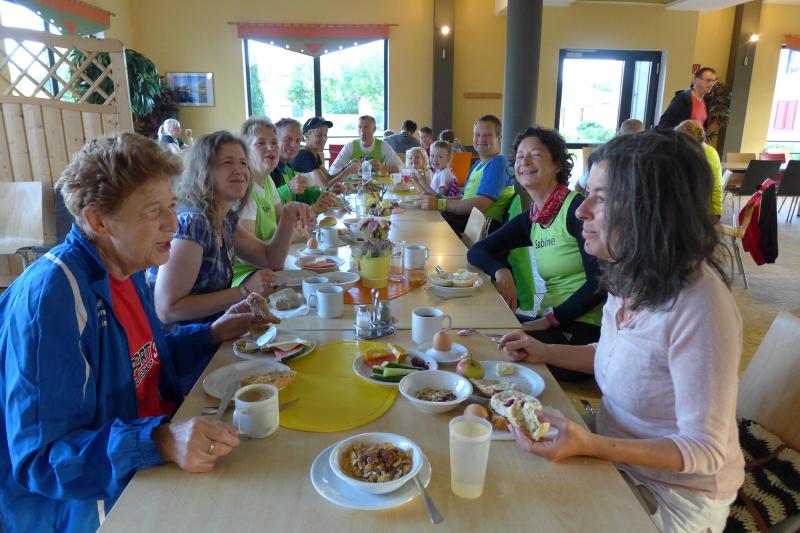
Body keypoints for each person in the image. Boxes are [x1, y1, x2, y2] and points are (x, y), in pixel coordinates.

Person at [0, 133, 262, 532]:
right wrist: (159, 441)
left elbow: (143, 359)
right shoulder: (54, 296)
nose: (172, 223)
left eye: (172, 205)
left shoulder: (128, 267)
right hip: (89, 501)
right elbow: (43, 459)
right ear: (98, 221)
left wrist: (210, 333)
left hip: (153, 450)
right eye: (153, 211)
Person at [499, 130, 744, 532]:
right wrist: (543, 350)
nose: (582, 211)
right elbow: (617, 354)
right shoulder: (629, 272)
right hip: (612, 457)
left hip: (672, 495)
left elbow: (705, 449)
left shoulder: (699, 305)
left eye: (602, 198)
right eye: (587, 193)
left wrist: (592, 445)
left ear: (652, 212)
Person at [468, 127, 604, 381]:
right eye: (520, 156)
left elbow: (600, 283)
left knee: (488, 349)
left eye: (536, 155)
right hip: (550, 322)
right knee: (477, 327)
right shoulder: (534, 217)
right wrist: (502, 271)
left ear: (557, 165)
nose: (525, 162)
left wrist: (551, 319)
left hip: (580, 334)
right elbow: (478, 250)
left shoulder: (575, 210)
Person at [148, 130, 315, 326]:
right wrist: (244, 291)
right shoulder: (193, 224)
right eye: (227, 162)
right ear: (204, 170)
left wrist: (287, 216)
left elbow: (271, 259)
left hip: (215, 333)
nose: (239, 170)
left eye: (243, 163)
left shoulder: (223, 219)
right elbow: (168, 309)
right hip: (184, 342)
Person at [232, 117, 311, 288]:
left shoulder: (267, 181)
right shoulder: (244, 191)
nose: (270, 147)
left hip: (270, 267)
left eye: (274, 142)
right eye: (261, 143)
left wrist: (298, 226)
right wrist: (291, 236)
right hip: (246, 277)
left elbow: (284, 222)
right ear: (245, 151)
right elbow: (248, 256)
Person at [419, 114, 514, 235]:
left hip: (483, 226)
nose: (481, 139)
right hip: (469, 220)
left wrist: (439, 204)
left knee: (430, 224)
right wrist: (436, 198)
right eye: (477, 135)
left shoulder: (498, 163)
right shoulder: (477, 165)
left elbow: (480, 205)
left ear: (499, 139)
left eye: (487, 135)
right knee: (426, 217)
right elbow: (463, 197)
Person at [271, 118, 337, 213]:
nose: (293, 145)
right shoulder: (268, 169)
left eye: (297, 141)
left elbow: (299, 196)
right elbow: (265, 203)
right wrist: (288, 188)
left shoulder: (287, 167)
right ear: (275, 140)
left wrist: (325, 194)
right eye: (288, 139)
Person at [675, 119, 723, 219]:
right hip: (704, 208)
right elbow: (717, 185)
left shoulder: (693, 154)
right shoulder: (712, 152)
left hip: (698, 210)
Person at [289, 116, 354, 190]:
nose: (323, 139)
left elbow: (329, 178)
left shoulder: (314, 154)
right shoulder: (305, 155)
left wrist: (348, 167)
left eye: (325, 135)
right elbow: (325, 186)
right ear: (306, 136)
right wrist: (348, 171)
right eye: (319, 135)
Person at [329, 115, 402, 176]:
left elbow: (401, 169)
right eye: (360, 127)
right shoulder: (350, 145)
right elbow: (333, 169)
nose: (362, 131)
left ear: (374, 129)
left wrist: (383, 168)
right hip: (354, 186)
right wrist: (348, 168)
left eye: (366, 127)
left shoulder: (383, 145)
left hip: (378, 186)